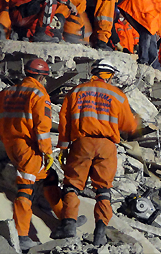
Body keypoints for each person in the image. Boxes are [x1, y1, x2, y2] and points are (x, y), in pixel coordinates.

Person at [0, 59, 61, 252]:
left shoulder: (7, 92)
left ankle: (65, 219)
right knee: (25, 188)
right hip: (28, 148)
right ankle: (22, 235)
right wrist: (47, 152)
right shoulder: (39, 94)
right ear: (42, 76)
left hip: (10, 144)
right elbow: (42, 129)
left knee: (49, 177)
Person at [51, 59, 138, 246]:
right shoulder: (118, 95)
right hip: (107, 146)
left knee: (72, 185)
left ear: (93, 72)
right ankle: (100, 231)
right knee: (103, 190)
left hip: (81, 143)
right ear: (110, 75)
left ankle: (68, 225)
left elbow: (64, 121)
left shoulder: (76, 92)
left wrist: (64, 147)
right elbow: (130, 126)